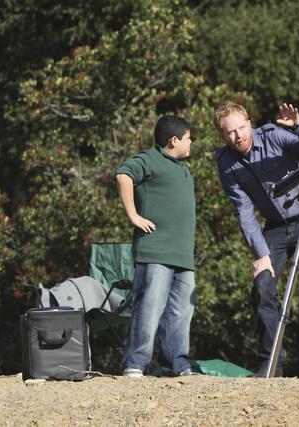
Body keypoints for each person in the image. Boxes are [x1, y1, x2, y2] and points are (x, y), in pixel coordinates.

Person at [214, 102, 299, 378]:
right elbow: (244, 212)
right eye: (230, 132)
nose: (238, 136)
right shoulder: (226, 162)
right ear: (222, 135)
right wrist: (261, 254)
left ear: (249, 122)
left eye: (242, 127)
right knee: (262, 286)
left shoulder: (273, 135)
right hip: (274, 227)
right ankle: (272, 365)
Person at [116, 115, 197, 378]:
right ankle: (135, 364)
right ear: (174, 141)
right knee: (149, 309)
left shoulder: (181, 167)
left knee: (181, 313)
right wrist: (133, 215)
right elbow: (124, 175)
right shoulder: (150, 159)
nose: (191, 142)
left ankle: (177, 364)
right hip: (156, 253)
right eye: (188, 138)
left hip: (183, 257)